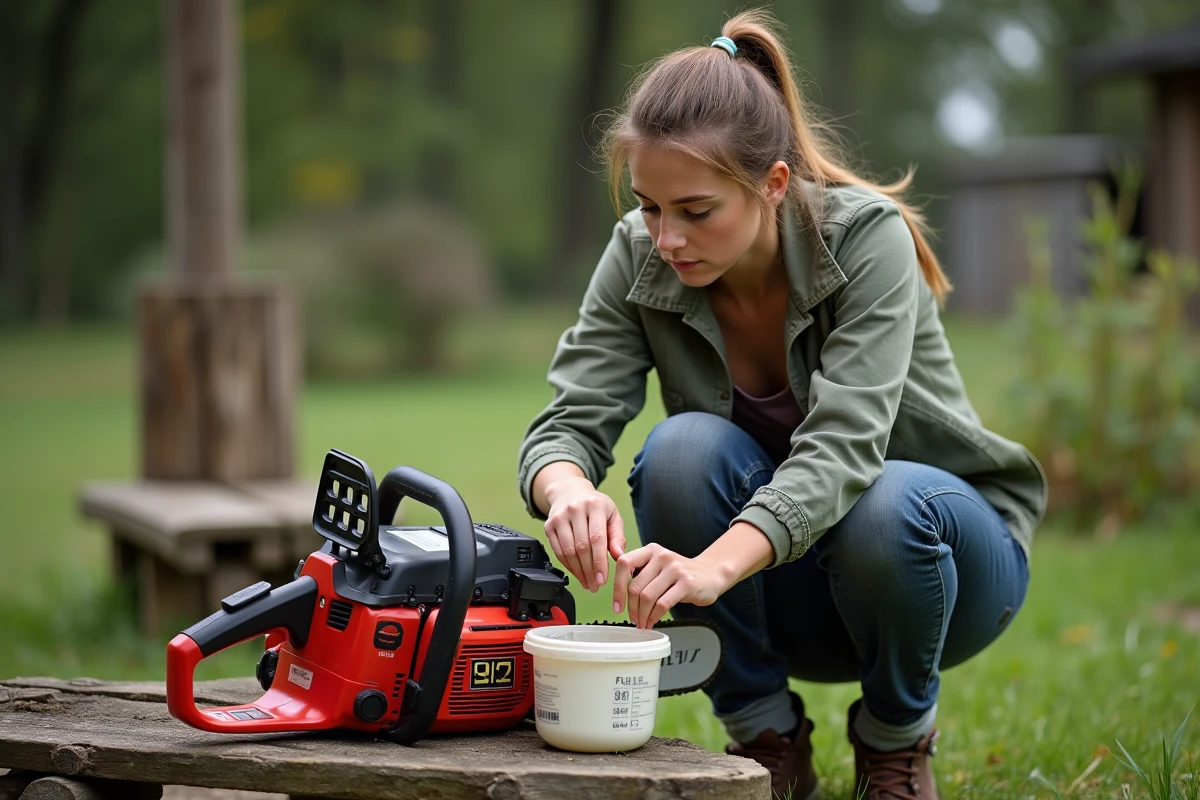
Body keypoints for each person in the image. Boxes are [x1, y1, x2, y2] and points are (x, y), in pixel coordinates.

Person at [517, 9, 1047, 800]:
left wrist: (710, 566)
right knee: (681, 451)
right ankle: (765, 743)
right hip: (786, 593)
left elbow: (844, 448)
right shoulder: (638, 251)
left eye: (696, 211)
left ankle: (896, 746)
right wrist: (566, 491)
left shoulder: (866, 238)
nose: (666, 238)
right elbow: (570, 419)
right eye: (651, 206)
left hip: (942, 578)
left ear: (772, 184)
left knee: (886, 500)